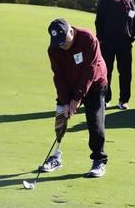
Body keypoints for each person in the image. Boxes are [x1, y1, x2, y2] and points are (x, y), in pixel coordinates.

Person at [43, 18, 108, 178]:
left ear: (71, 31)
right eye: (58, 42)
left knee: (95, 123)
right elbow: (58, 76)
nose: (62, 45)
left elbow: (90, 71)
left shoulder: (88, 39)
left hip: (95, 84)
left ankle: (99, 160)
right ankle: (56, 156)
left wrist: (76, 99)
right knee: (60, 117)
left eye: (64, 41)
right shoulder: (54, 49)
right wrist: (65, 101)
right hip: (70, 83)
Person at [95, 0, 135, 110]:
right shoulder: (104, 3)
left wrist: (131, 39)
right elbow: (98, 22)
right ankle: (105, 99)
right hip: (107, 43)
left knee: (125, 73)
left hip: (124, 45)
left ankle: (124, 100)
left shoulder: (129, 3)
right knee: (105, 72)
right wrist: (100, 38)